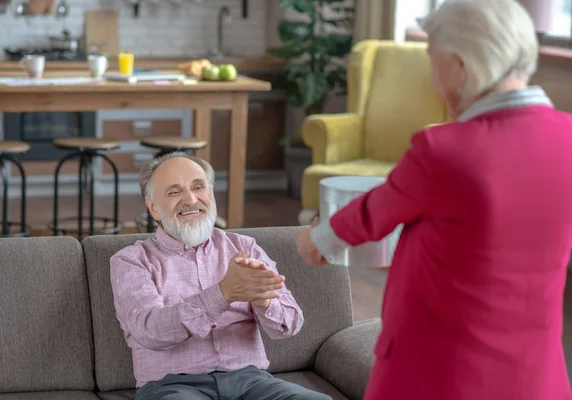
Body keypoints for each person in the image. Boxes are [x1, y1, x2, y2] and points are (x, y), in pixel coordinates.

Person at [296, 0, 572, 399]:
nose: (431, 76)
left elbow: (377, 210)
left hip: (441, 372)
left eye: (433, 60)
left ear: (460, 66)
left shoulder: (444, 150)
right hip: (535, 376)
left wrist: (318, 239)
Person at [110, 152, 330, 400]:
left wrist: (264, 301)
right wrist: (223, 293)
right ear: (153, 208)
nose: (191, 199)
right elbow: (149, 330)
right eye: (174, 192)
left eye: (198, 187)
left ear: (211, 193)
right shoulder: (131, 260)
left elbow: (290, 325)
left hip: (252, 383)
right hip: (171, 387)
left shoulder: (245, 247)